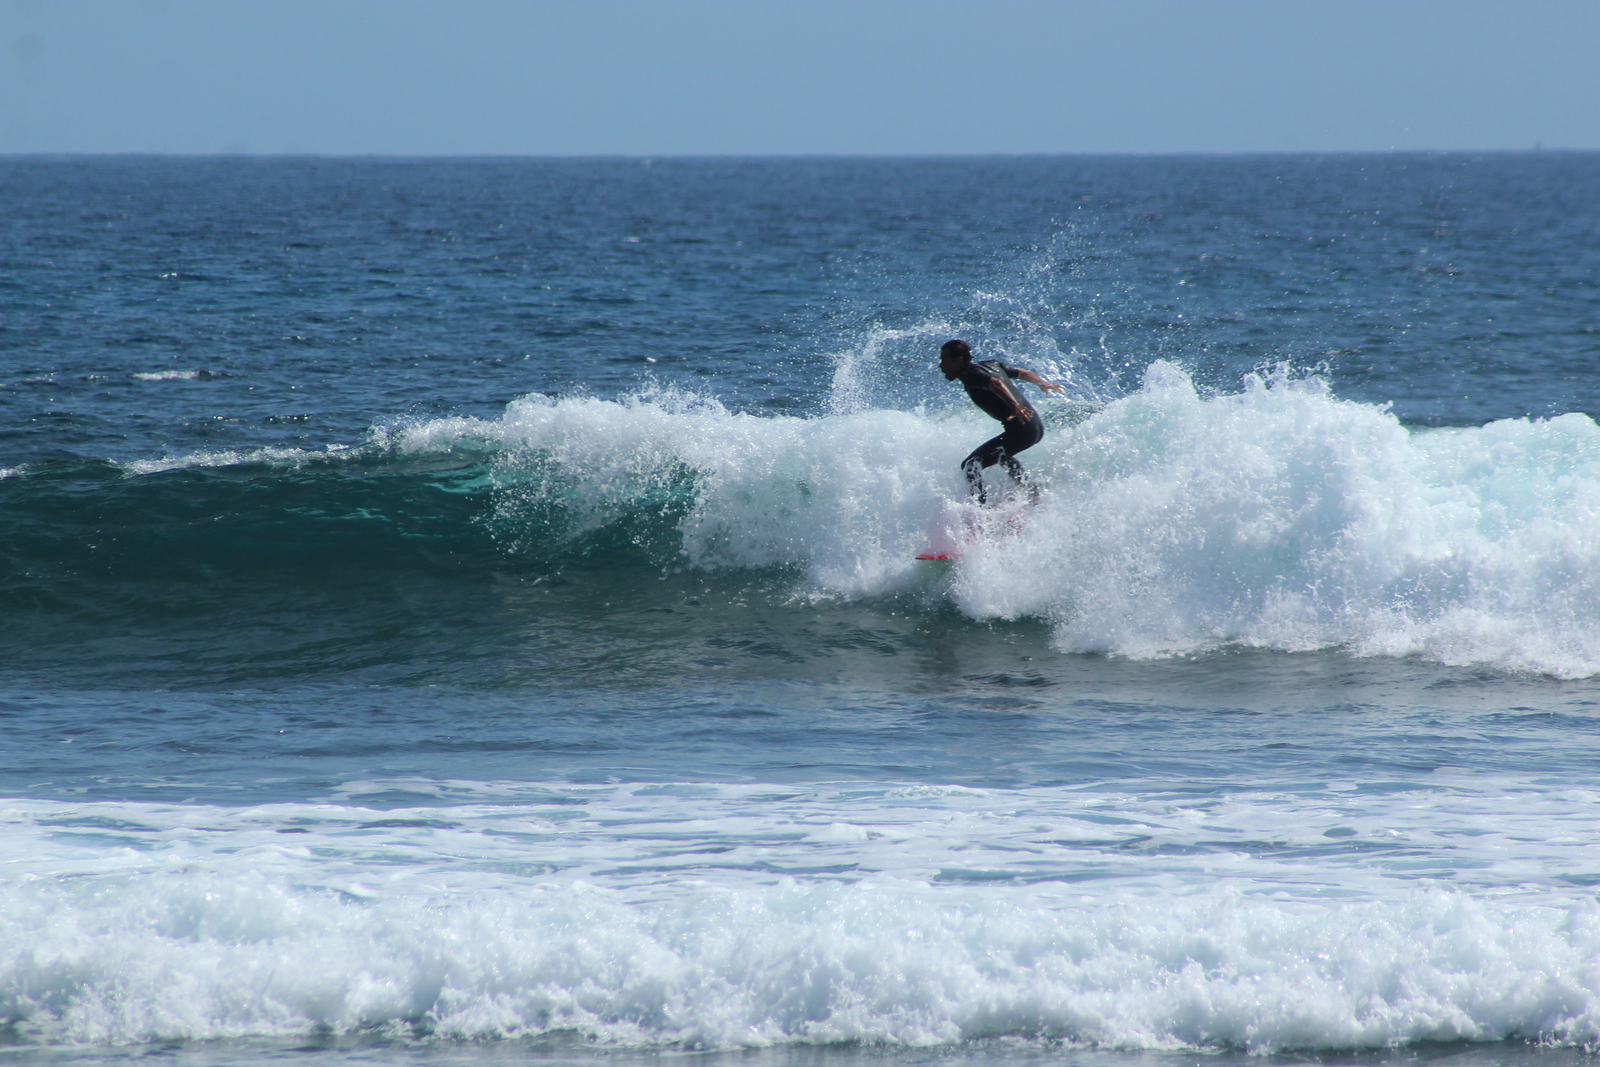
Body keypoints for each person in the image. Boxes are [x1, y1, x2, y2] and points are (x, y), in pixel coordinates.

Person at [939, 339, 1064, 504]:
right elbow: (1024, 373)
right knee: (1000, 454)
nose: (941, 366)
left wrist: (1014, 405)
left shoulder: (971, 375)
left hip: (1022, 430)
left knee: (970, 465)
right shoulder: (992, 365)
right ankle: (1032, 494)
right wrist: (1043, 384)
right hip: (1035, 427)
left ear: (959, 361)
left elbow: (995, 383)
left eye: (944, 360)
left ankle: (982, 511)